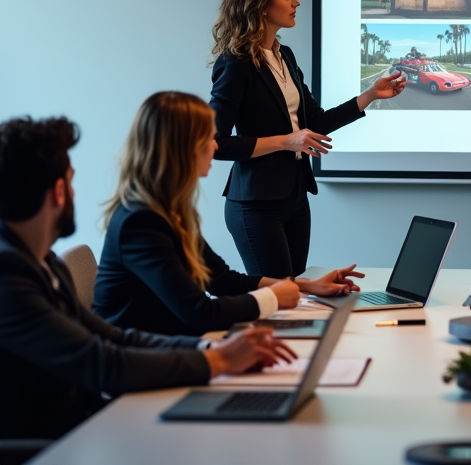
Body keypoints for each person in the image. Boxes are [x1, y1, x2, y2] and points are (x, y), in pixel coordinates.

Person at [0, 116, 296, 442]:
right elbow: (102, 364)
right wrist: (218, 359)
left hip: (89, 420)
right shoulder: (10, 278)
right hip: (56, 443)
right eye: (71, 181)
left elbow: (114, 337)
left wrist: (212, 348)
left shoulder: (45, 263)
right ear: (59, 192)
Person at [93, 92, 363, 336]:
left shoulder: (168, 211)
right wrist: (274, 297)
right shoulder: (140, 222)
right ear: (182, 148)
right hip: (140, 362)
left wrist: (306, 286)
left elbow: (221, 280)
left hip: (167, 345)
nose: (215, 146)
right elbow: (200, 314)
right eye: (207, 139)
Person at [210, 0, 405, 278]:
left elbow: (315, 121)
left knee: (294, 298)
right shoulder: (235, 64)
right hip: (255, 205)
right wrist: (287, 141)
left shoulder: (284, 55)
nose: (296, 2)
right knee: (279, 300)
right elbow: (214, 143)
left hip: (295, 199)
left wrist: (369, 96)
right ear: (260, 5)